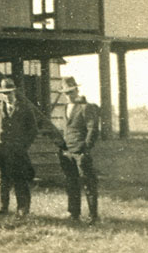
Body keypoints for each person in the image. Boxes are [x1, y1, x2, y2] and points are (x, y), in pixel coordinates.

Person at [0, 78, 38, 216]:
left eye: (9, 92)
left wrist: (23, 145)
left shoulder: (25, 109)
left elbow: (33, 130)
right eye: (4, 93)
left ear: (14, 92)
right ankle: (2, 207)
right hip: (2, 151)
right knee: (2, 180)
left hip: (18, 152)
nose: (7, 95)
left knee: (20, 180)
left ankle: (23, 208)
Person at [57, 76, 100, 224]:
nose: (69, 95)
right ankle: (74, 214)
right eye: (66, 93)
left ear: (77, 90)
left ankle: (93, 216)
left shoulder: (86, 107)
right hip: (68, 152)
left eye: (71, 91)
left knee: (88, 184)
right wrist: (63, 147)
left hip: (80, 152)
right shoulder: (65, 108)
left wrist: (85, 149)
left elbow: (93, 129)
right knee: (71, 183)